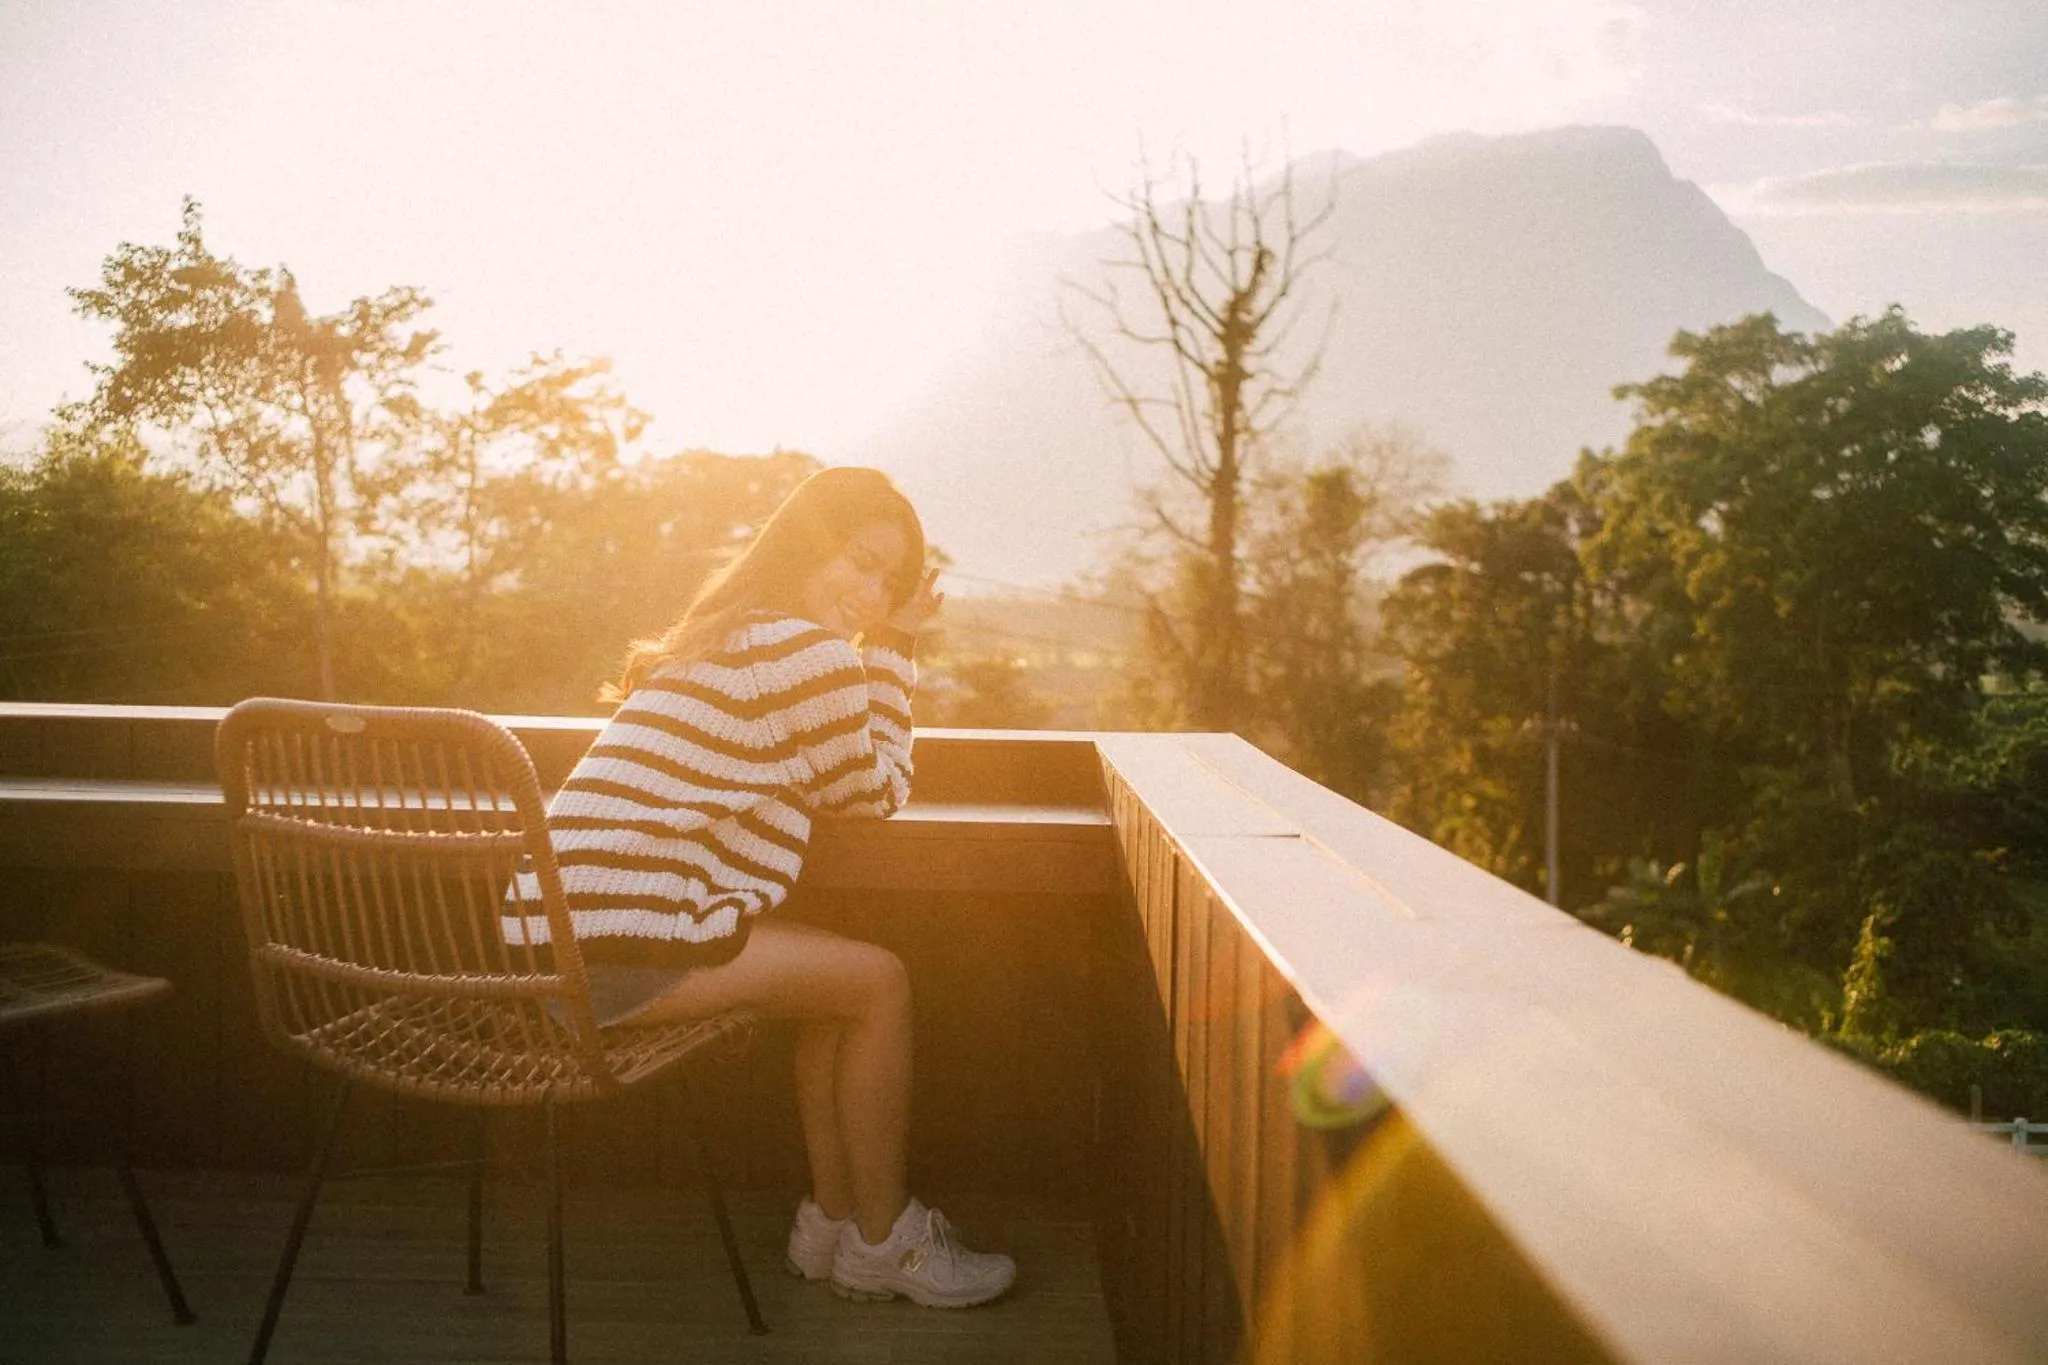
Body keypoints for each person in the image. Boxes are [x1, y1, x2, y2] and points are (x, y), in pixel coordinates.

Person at [502, 465, 1016, 1308]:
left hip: (545, 945)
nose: (871, 593)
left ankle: (831, 1225)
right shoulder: (807, 652)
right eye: (859, 562)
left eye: (888, 581)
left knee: (835, 989)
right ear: (807, 547)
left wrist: (878, 637)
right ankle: (889, 1243)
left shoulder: (723, 634)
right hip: (615, 951)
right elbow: (876, 791)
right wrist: (897, 646)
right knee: (881, 983)